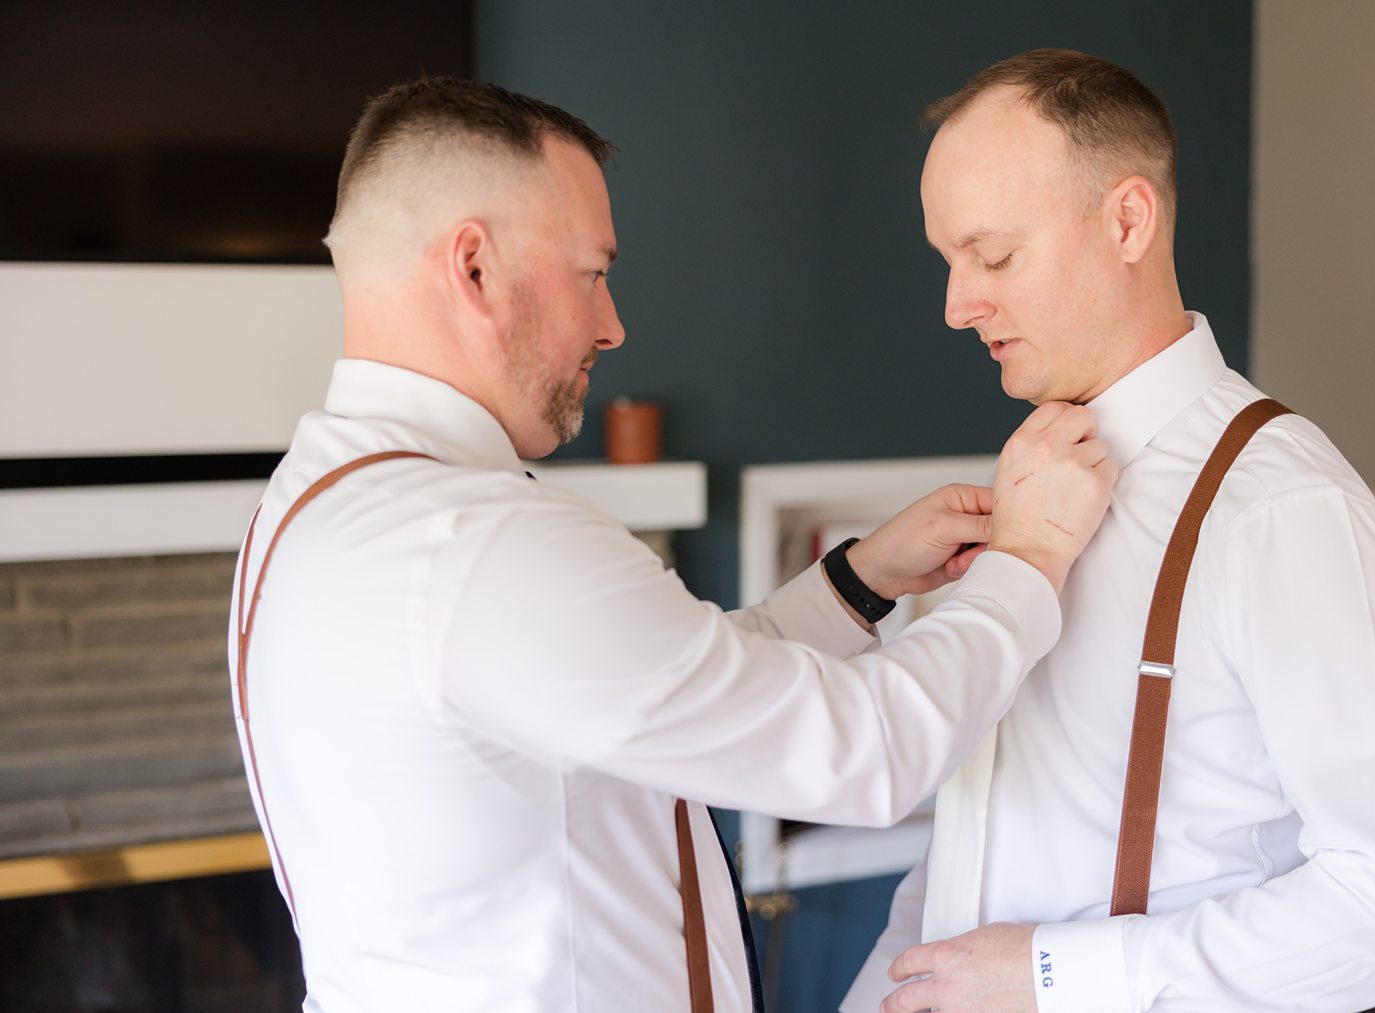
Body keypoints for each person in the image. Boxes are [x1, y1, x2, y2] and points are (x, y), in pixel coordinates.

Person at [227, 77, 1115, 1012]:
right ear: (474, 268)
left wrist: (860, 580)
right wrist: (1031, 561)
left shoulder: (314, 507)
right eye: (593, 274)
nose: (612, 326)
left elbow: (659, 694)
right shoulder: (478, 547)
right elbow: (860, 752)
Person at [842, 49, 1375, 1013]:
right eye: (949, 261)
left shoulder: (1283, 510)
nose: (956, 305)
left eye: (995, 256)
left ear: (1129, 219)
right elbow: (986, 828)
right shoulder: (1037, 482)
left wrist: (1051, 975)